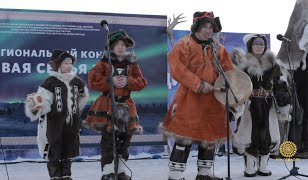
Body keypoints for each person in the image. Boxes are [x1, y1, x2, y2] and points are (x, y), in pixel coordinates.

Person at [160, 11, 234, 180]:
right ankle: (176, 175)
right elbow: (177, 68)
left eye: (211, 27)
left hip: (213, 100)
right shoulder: (184, 44)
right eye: (204, 26)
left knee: (210, 136)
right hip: (189, 100)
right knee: (184, 135)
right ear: (196, 28)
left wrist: (230, 85)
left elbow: (228, 70)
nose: (208, 30)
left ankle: (204, 173)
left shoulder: (218, 48)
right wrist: (198, 84)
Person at [83, 29, 147, 180]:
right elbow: (93, 81)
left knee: (125, 139)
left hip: (126, 105)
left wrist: (128, 81)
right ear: (111, 47)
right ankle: (108, 171)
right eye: (117, 44)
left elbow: (141, 82)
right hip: (107, 105)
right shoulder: (103, 63)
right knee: (108, 140)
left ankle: (121, 170)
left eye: (123, 44)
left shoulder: (132, 64)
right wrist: (109, 81)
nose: (120, 47)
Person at [231, 34, 291, 177]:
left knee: (267, 135)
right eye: (256, 44)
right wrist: (235, 105)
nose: (259, 46)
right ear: (250, 46)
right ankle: (250, 166)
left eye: (261, 44)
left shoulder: (274, 64)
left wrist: (284, 104)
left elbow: (280, 85)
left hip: (267, 105)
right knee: (249, 135)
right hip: (249, 106)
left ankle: (263, 165)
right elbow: (237, 86)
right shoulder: (243, 64)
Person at [24, 49, 89, 180]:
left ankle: (66, 175)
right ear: (57, 64)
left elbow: (84, 95)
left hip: (71, 123)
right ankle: (55, 176)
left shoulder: (77, 81)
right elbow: (44, 101)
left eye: (71, 63)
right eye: (66, 63)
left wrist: (76, 109)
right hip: (54, 122)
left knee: (68, 146)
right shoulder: (50, 82)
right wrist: (38, 105)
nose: (69, 66)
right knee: (54, 146)